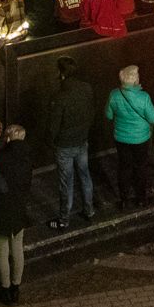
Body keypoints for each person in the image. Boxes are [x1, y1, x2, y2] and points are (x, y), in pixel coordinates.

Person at [48, 56, 97, 228]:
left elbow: (53, 126)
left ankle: (64, 219)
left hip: (64, 145)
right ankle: (89, 210)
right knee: (85, 175)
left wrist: (53, 141)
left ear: (61, 73)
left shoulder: (59, 97)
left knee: (66, 182)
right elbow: (91, 112)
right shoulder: (86, 88)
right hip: (82, 141)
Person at [0, 123, 32, 303]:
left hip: (1, 209)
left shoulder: (1, 157)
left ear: (8, 138)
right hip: (19, 208)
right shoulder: (28, 157)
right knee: (17, 249)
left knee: (2, 251)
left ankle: (5, 288)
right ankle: (16, 287)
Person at [107, 64, 154, 208]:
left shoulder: (114, 94)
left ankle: (124, 199)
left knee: (124, 167)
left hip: (121, 138)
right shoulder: (144, 97)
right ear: (135, 80)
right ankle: (141, 198)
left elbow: (108, 115)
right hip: (141, 139)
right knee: (140, 167)